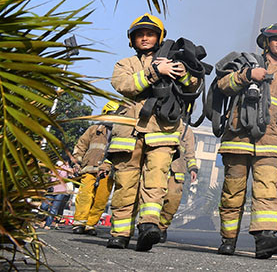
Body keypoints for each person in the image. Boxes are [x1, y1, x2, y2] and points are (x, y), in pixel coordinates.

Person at [105, 13, 200, 252]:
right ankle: (120, 234)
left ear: (159, 37)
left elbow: (193, 87)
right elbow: (125, 85)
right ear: (132, 40)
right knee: (125, 185)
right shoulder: (124, 64)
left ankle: (148, 227)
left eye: (150, 34)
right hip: (128, 135)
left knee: (156, 181)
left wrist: (183, 72)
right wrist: (155, 72)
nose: (145, 38)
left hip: (162, 132)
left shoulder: (173, 61)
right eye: (140, 35)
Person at [215, 22, 277, 259]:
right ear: (266, 43)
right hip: (238, 137)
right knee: (233, 191)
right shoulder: (246, 62)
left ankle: (265, 240)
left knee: (267, 191)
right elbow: (222, 86)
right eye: (275, 39)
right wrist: (246, 76)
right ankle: (228, 240)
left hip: (270, 142)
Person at [70, 101, 119, 235]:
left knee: (101, 199)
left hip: (108, 172)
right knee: (85, 195)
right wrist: (77, 162)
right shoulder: (93, 130)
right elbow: (81, 145)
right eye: (112, 114)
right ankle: (79, 223)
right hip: (89, 169)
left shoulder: (120, 134)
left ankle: (90, 224)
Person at [157, 125, 197, 243]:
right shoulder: (158, 122)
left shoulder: (186, 131)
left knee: (172, 201)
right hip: (158, 169)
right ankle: (149, 226)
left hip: (176, 172)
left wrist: (193, 168)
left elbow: (190, 152)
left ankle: (161, 228)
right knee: (153, 199)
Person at [43, 157, 73, 228]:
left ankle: (48, 224)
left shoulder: (66, 168)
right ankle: (43, 219)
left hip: (60, 191)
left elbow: (71, 172)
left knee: (54, 208)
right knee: (44, 206)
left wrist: (64, 167)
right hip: (51, 190)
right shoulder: (53, 167)